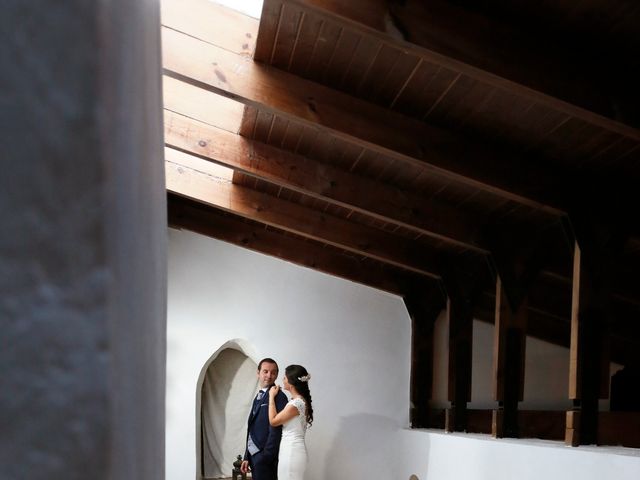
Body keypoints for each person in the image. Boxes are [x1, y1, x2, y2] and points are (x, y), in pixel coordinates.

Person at [241, 358, 288, 480]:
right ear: (258, 373)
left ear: (277, 374)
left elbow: (276, 428)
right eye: (265, 371)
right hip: (253, 456)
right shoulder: (259, 395)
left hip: (265, 457)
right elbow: (252, 427)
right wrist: (247, 456)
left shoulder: (279, 397)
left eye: (273, 372)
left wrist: (266, 456)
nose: (269, 375)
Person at [268, 365, 314, 480]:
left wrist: (271, 397)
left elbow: (273, 421)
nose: (282, 380)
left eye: (284, 378)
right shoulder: (298, 401)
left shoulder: (295, 404)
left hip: (292, 452)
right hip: (291, 450)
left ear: (291, 383)